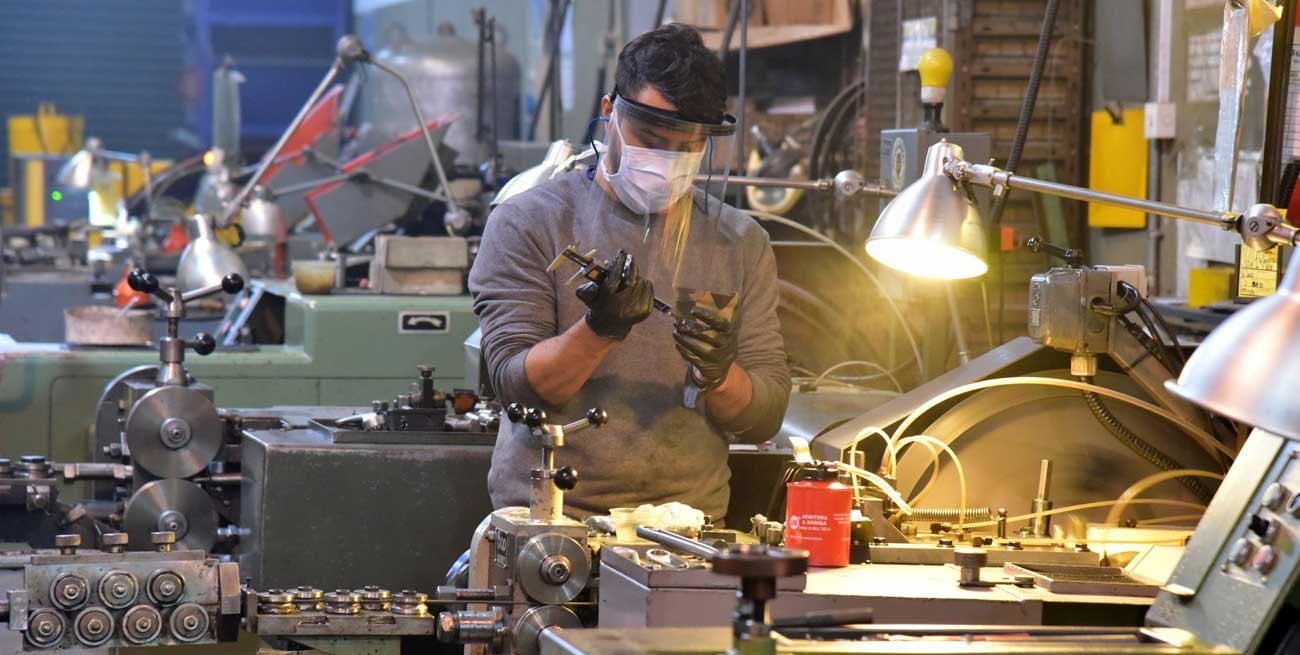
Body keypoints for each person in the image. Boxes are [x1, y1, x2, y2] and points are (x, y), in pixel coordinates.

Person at [468, 23, 790, 520]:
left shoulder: (740, 242)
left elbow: (764, 417)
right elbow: (517, 386)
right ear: (609, 113)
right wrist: (600, 328)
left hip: (687, 529)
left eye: (685, 147)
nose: (665, 161)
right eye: (651, 139)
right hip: (552, 523)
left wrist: (720, 375)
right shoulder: (530, 222)